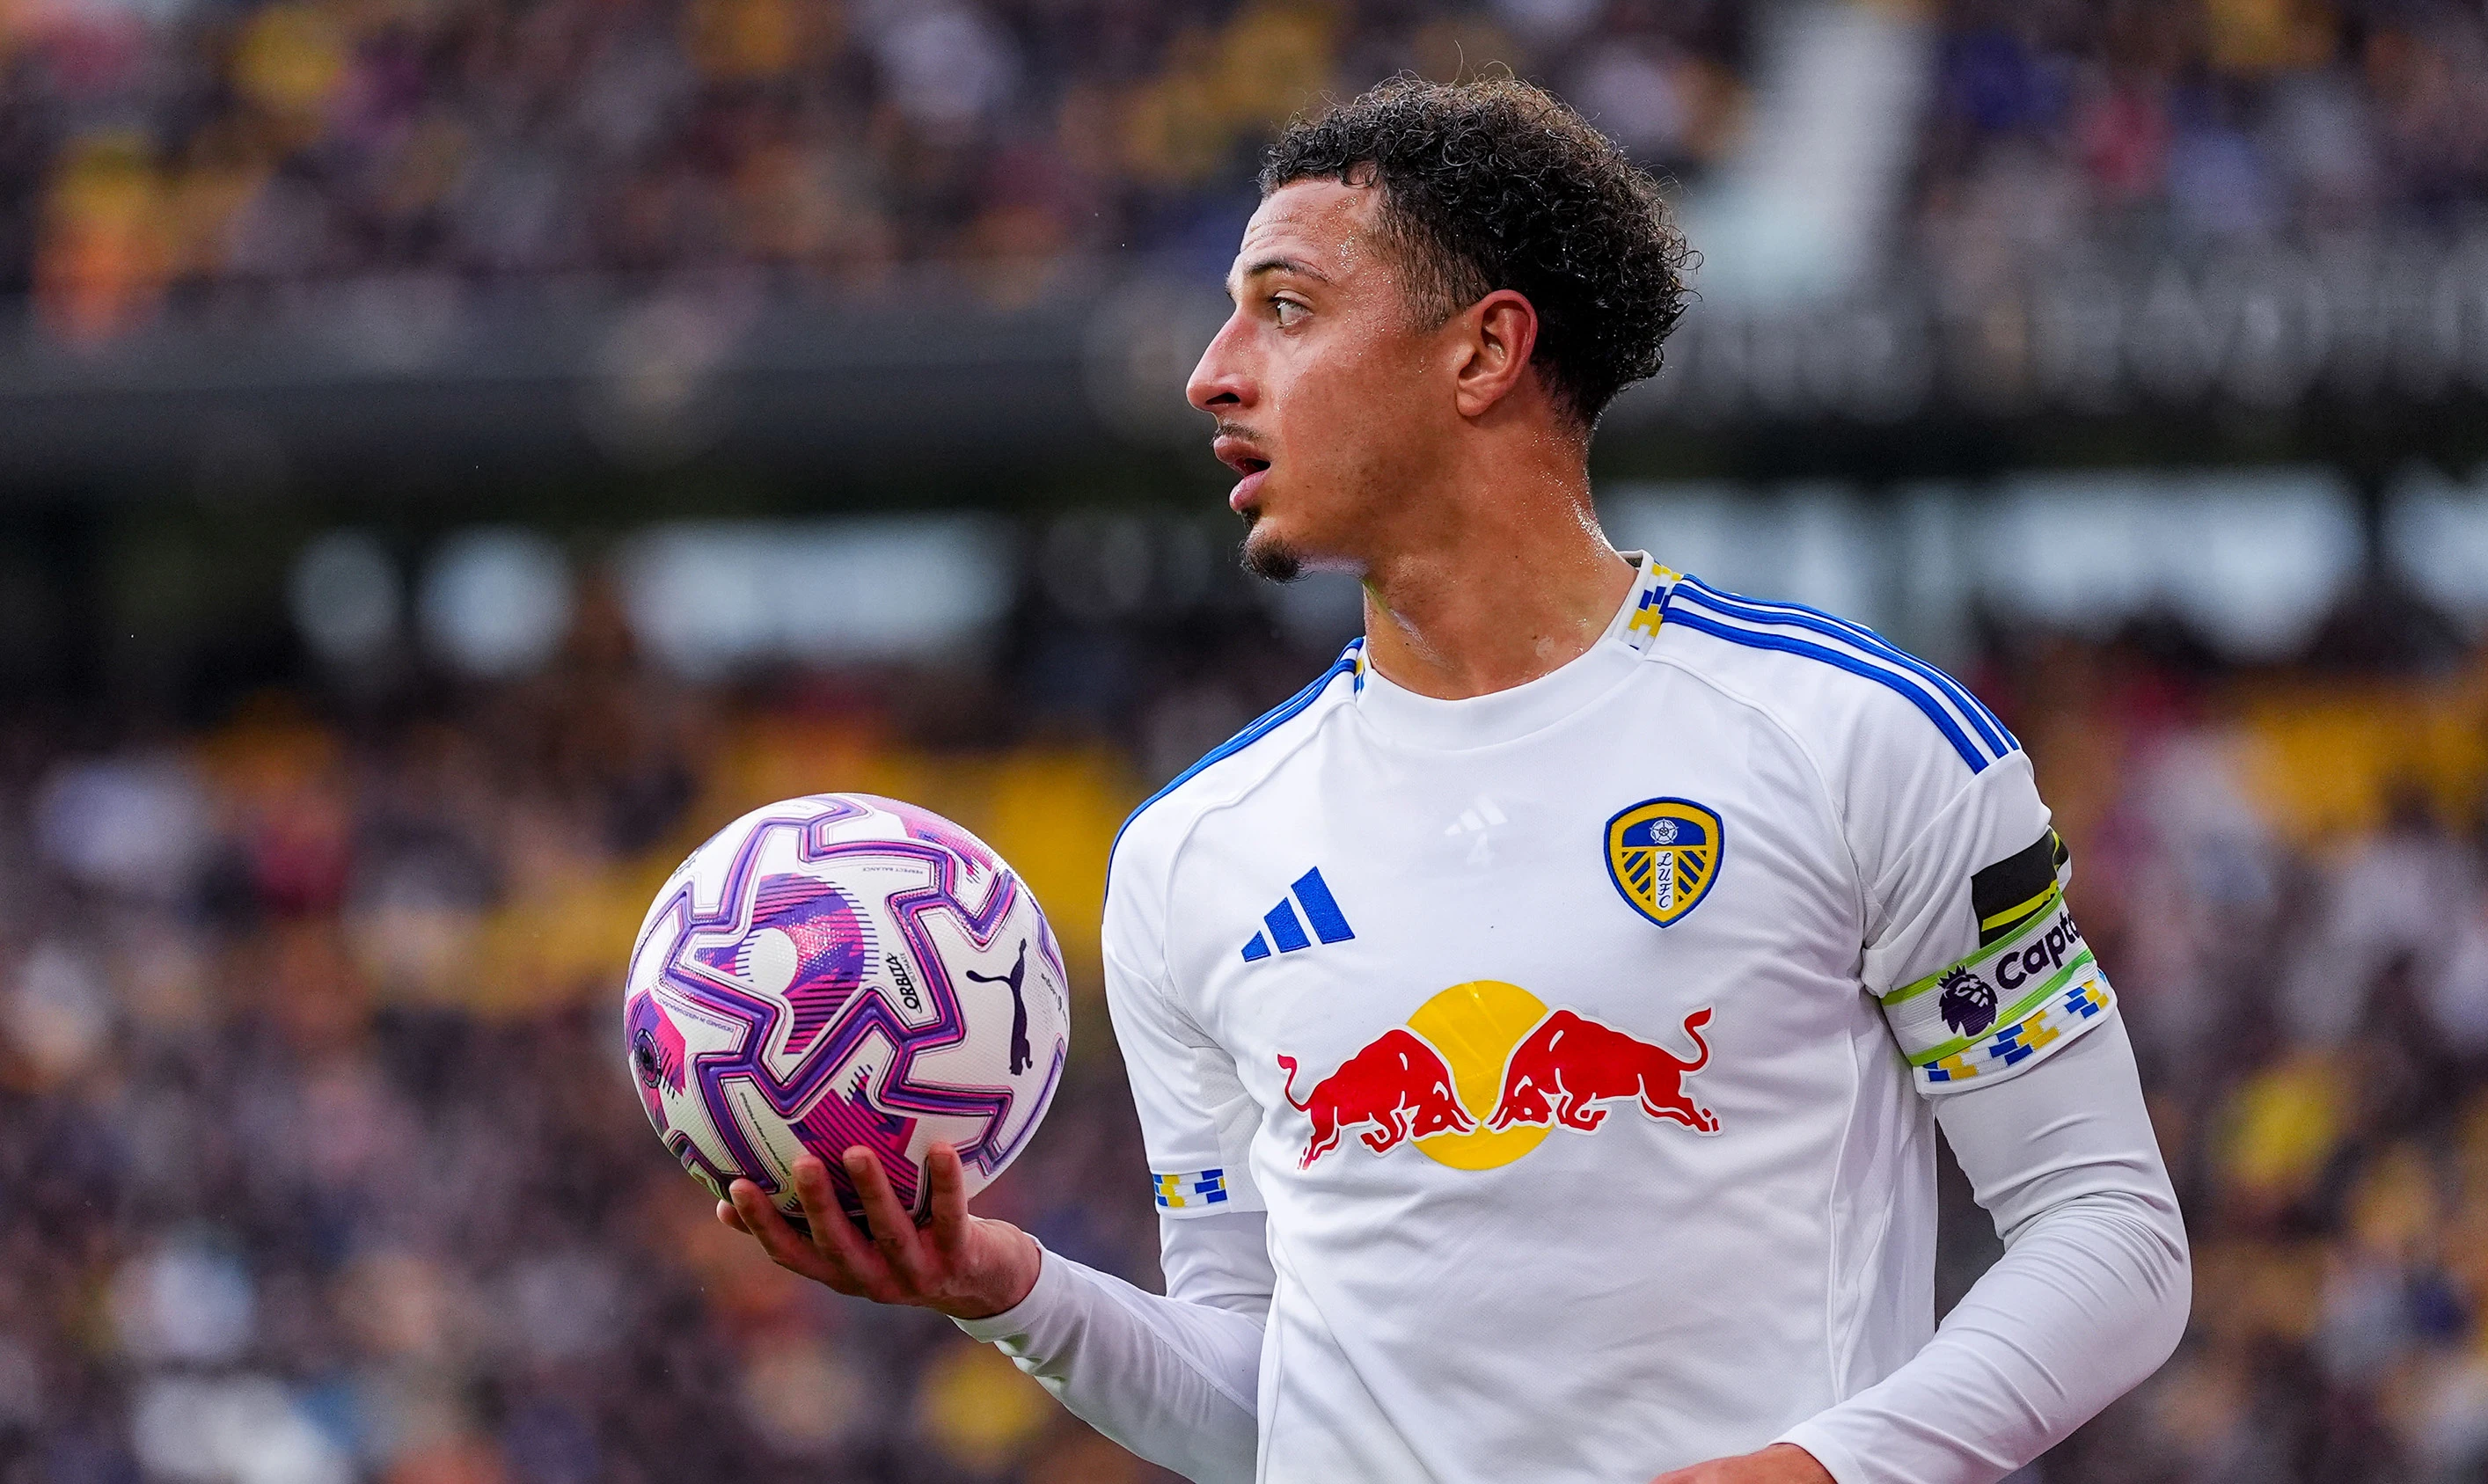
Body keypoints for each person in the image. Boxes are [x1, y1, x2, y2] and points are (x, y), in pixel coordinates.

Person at [715, 77, 2191, 1484]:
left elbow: (2110, 1232)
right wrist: (1010, 1289)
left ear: (1483, 353)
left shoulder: (1860, 741)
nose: (1210, 372)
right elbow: (1264, 1403)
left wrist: (1830, 1462)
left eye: (1283, 310)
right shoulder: (1190, 853)